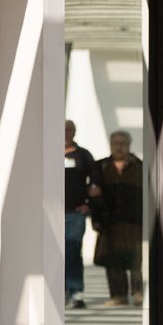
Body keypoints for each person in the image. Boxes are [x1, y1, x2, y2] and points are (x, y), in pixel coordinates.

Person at [93, 130, 144, 307]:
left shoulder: (141, 167)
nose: (119, 146)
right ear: (110, 145)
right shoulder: (101, 167)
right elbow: (93, 192)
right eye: (115, 143)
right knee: (112, 260)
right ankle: (118, 295)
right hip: (110, 222)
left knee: (136, 260)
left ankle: (138, 293)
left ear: (129, 145)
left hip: (135, 222)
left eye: (123, 143)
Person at [64, 120, 101, 309]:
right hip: (52, 213)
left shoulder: (83, 155)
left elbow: (95, 182)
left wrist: (88, 205)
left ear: (74, 132)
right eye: (63, 129)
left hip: (75, 213)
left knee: (72, 251)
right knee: (54, 253)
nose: (66, 132)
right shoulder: (48, 151)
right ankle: (59, 291)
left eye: (69, 129)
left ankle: (75, 291)